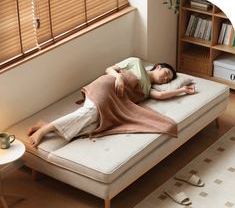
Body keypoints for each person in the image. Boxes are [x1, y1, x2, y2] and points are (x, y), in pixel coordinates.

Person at [28, 57, 195, 147]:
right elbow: (109, 69)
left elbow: (160, 96)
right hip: (107, 87)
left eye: (168, 80)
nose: (166, 78)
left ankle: (45, 125)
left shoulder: (148, 89)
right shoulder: (136, 62)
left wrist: (182, 90)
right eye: (166, 73)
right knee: (89, 113)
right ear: (158, 67)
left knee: (95, 126)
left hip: (115, 104)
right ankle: (45, 130)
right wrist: (119, 77)